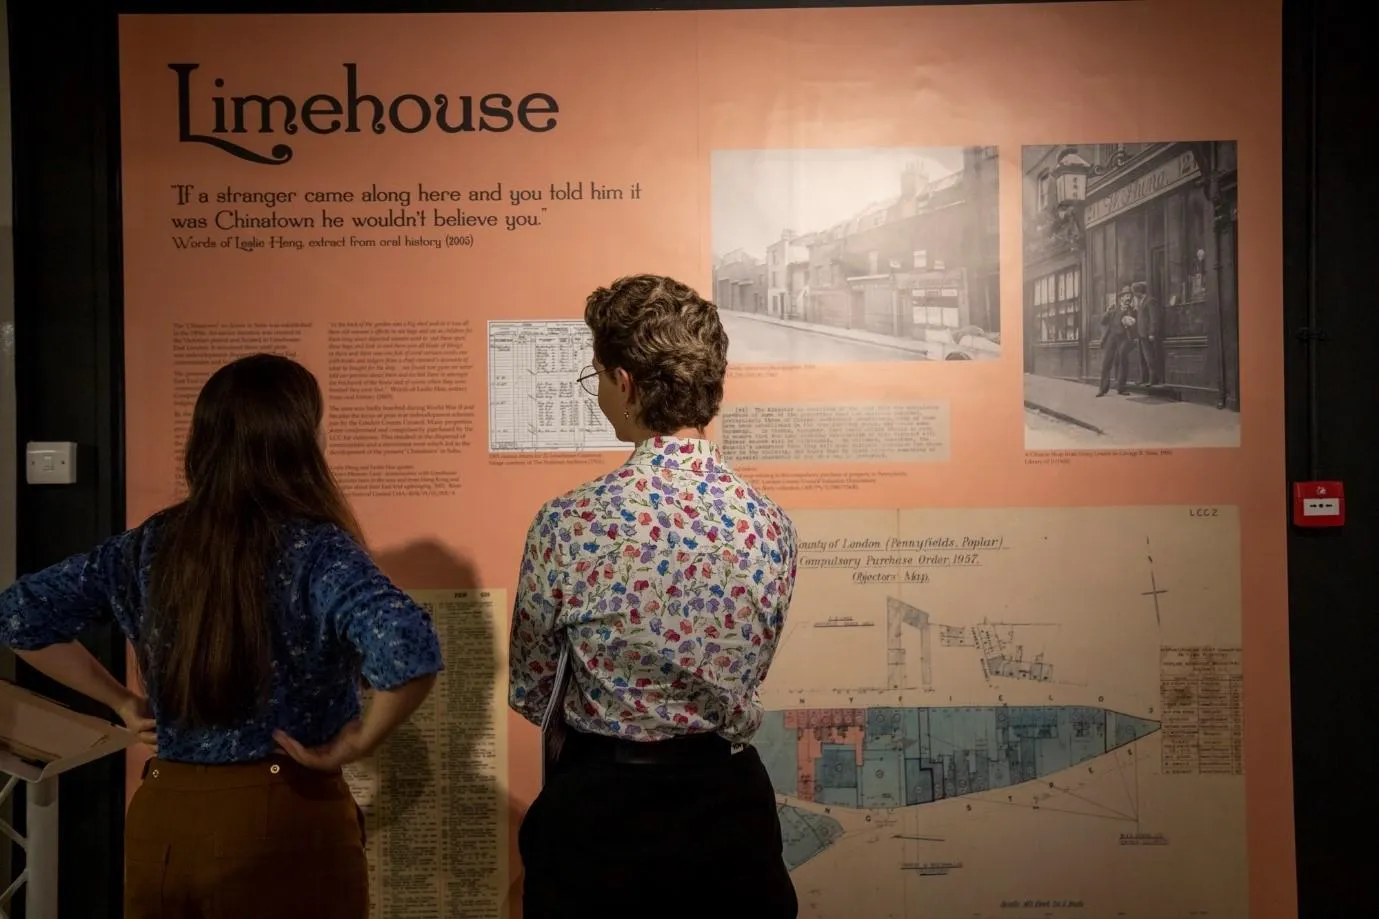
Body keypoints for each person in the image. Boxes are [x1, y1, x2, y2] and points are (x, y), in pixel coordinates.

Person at [0, 353, 444, 919]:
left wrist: (122, 702)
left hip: (162, 815)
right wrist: (361, 743)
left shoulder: (149, 544)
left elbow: (19, 616)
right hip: (284, 820)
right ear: (299, 440)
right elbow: (407, 649)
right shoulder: (316, 549)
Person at [508, 274, 799, 917]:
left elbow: (532, 691)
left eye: (598, 378)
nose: (600, 394)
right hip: (729, 815)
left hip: (602, 820)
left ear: (628, 383)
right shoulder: (770, 523)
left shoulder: (569, 522)